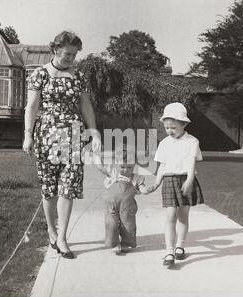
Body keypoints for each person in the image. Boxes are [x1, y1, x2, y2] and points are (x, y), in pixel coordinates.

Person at [23, 31, 101, 259]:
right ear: (55, 50)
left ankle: (63, 238)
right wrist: (28, 135)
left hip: (73, 135)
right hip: (46, 135)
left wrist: (94, 132)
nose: (71, 58)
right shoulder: (40, 74)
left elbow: (86, 107)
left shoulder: (79, 77)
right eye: (68, 53)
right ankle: (51, 230)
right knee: (49, 189)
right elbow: (31, 107)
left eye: (74, 54)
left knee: (68, 188)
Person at [149, 102, 204, 266]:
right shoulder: (164, 143)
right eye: (167, 128)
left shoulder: (192, 141)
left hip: (185, 180)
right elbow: (162, 167)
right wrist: (155, 184)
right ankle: (169, 251)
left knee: (183, 216)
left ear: (184, 124)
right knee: (170, 215)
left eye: (173, 127)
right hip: (169, 181)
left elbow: (192, 162)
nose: (170, 131)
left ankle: (180, 245)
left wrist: (189, 180)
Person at [94, 144, 153, 255]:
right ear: (116, 163)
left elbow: (142, 188)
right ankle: (114, 243)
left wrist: (147, 190)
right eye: (122, 166)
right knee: (111, 223)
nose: (126, 170)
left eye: (130, 167)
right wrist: (96, 154)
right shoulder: (113, 172)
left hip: (127, 206)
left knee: (128, 224)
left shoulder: (136, 177)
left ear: (134, 165)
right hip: (111, 206)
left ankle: (126, 242)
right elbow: (100, 167)